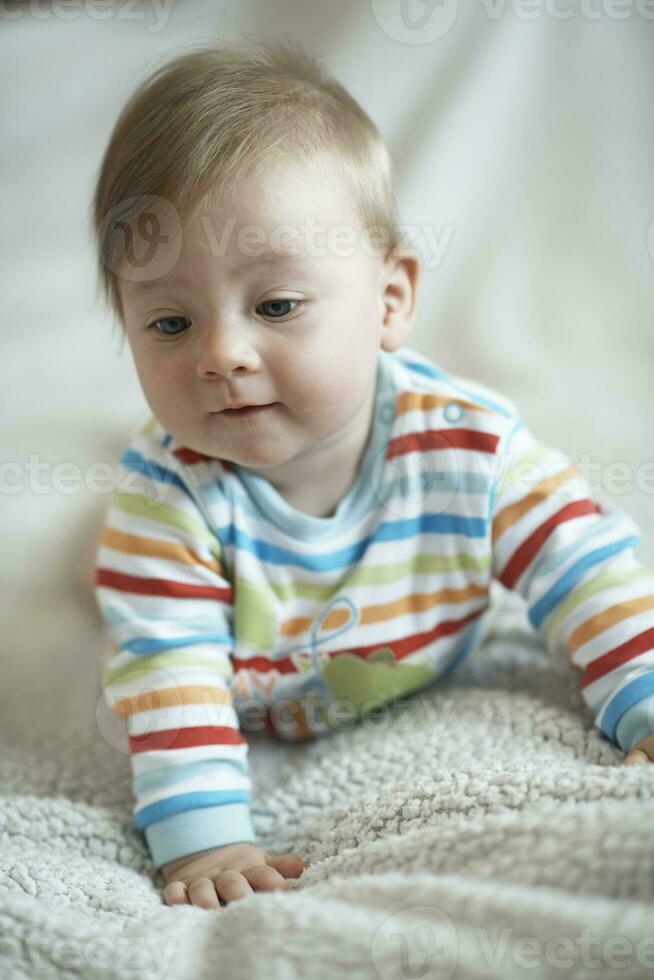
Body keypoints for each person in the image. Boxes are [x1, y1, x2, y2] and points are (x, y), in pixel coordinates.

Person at [91, 39, 654, 912]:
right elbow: (167, 672)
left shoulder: (470, 448)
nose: (222, 354)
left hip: (429, 657)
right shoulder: (164, 506)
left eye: (276, 306)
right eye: (168, 323)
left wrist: (644, 699)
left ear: (390, 301)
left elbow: (586, 568)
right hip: (260, 702)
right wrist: (206, 842)